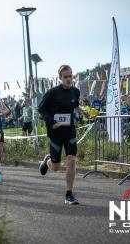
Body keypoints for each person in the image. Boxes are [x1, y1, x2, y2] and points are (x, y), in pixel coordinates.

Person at [38, 64, 89, 205]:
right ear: (60, 78)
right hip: (55, 132)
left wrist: (82, 111)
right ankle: (47, 161)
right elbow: (41, 108)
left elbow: (74, 105)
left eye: (70, 76)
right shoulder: (53, 92)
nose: (68, 79)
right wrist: (51, 122)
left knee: (71, 160)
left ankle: (69, 193)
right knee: (55, 167)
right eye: (65, 77)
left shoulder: (75, 92)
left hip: (69, 131)